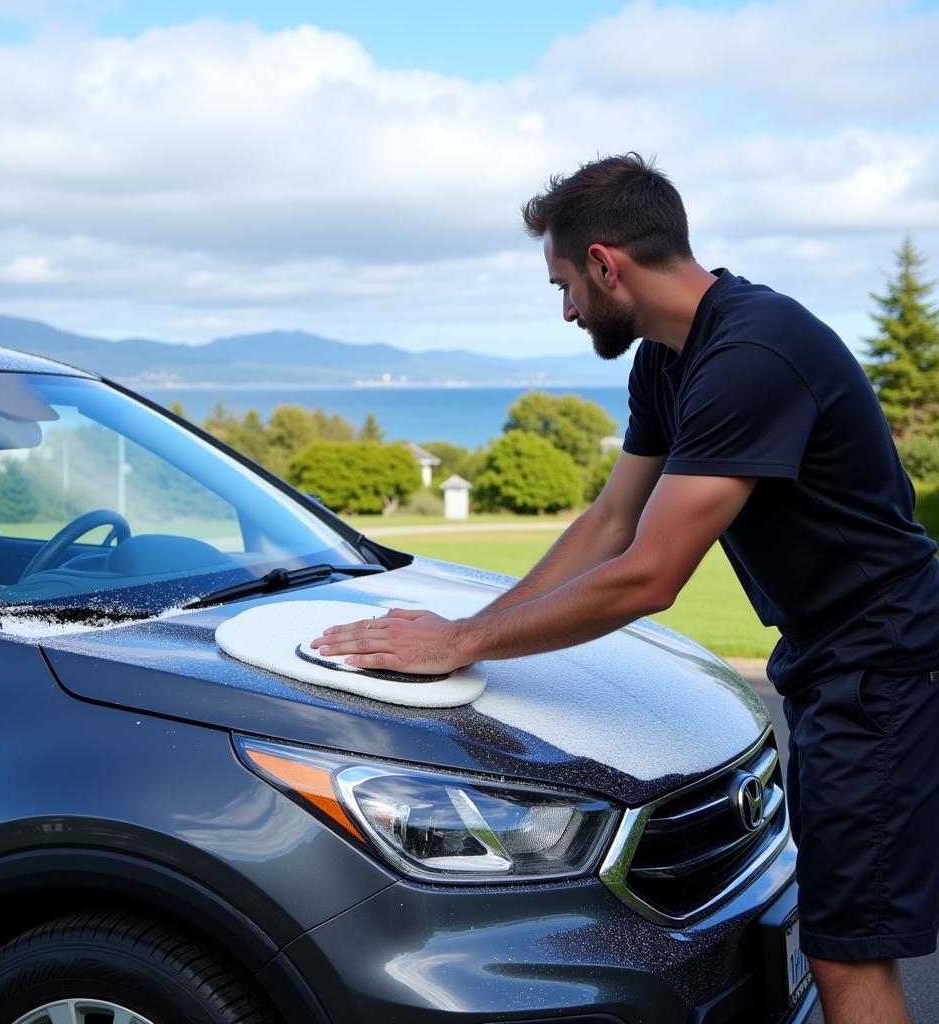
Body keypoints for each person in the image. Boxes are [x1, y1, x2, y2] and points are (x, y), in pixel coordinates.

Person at [311, 152, 939, 1024]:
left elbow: (649, 575)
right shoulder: (667, 362)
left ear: (607, 264)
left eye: (565, 284)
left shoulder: (754, 351)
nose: (567, 308)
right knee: (840, 926)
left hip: (888, 662)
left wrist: (461, 646)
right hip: (832, 657)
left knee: (845, 949)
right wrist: (469, 626)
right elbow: (610, 524)